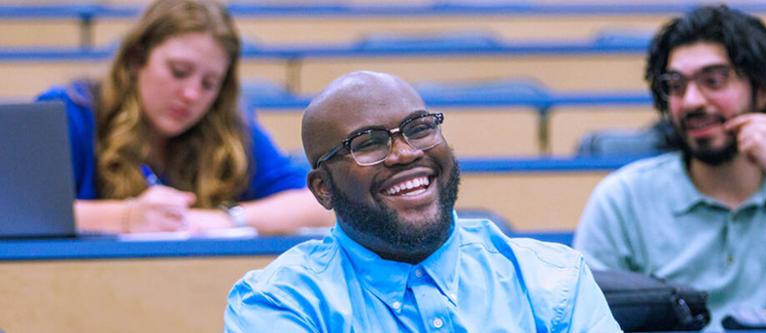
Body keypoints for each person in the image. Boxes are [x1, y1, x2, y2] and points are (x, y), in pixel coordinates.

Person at [224, 71, 621, 332]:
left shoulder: (553, 282)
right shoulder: (280, 303)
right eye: (367, 143)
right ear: (322, 188)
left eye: (418, 128)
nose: (405, 153)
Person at [573, 5, 766, 330]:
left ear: (763, 91)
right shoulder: (622, 200)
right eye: (676, 84)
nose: (691, 101)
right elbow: (586, 322)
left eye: (714, 80)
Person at [35, 0, 331, 235]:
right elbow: (23, 212)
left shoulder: (230, 125)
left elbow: (317, 204)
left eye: (209, 84)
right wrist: (126, 217)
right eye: (178, 72)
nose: (191, 94)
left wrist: (226, 219)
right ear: (136, 59)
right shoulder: (69, 113)